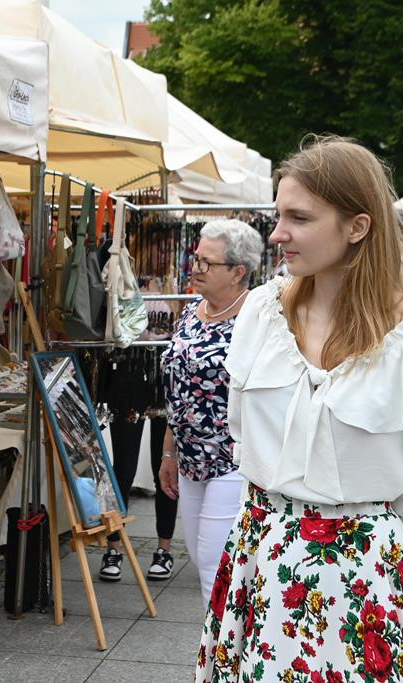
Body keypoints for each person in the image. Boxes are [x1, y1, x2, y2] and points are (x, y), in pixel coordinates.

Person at [196, 136, 403, 681]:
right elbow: (240, 428)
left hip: (362, 569)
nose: (278, 234)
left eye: (299, 218)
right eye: (279, 215)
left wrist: (367, 538)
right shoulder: (259, 312)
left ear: (357, 227)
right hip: (260, 547)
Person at [149, 219, 263, 603]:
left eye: (206, 263)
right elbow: (176, 390)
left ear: (238, 272)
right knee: (200, 558)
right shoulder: (192, 311)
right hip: (189, 459)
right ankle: (223, 651)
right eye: (195, 258)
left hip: (233, 460)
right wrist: (169, 451)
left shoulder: (258, 319)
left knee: (217, 566)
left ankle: (219, 657)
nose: (195, 268)